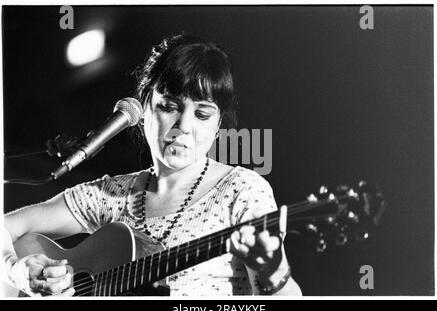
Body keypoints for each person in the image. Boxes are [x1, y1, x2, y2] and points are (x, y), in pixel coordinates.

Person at [2, 34, 302, 296]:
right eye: (169, 106)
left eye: (202, 114)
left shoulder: (243, 192)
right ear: (143, 106)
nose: (183, 126)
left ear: (219, 122)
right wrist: (16, 271)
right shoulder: (111, 194)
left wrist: (274, 271)